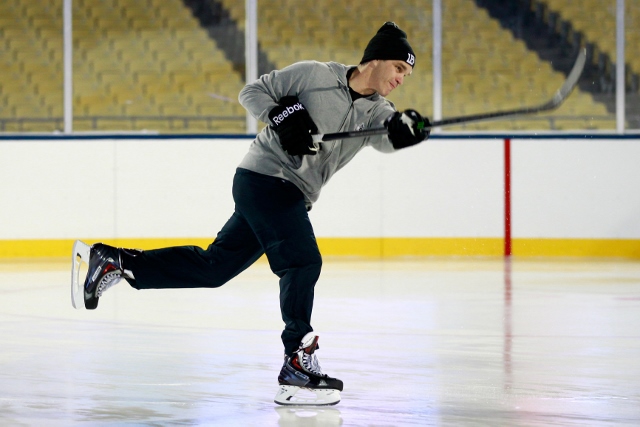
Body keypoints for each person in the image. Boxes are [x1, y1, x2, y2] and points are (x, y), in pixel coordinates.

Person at [78, 21, 430, 406]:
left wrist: (406, 132)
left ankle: (116, 262)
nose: (401, 79)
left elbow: (388, 137)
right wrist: (281, 115)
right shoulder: (314, 74)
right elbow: (252, 92)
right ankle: (297, 363)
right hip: (263, 178)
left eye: (407, 75)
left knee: (214, 268)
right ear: (375, 59)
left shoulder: (380, 110)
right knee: (301, 261)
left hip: (288, 193)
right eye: (399, 68)